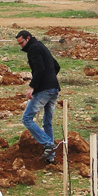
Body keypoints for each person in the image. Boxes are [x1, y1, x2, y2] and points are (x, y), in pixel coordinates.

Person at [16, 30, 60, 164]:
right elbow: (56, 66)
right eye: (19, 44)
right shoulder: (41, 46)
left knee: (26, 118)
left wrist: (32, 87)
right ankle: (50, 157)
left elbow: (40, 69)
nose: (21, 46)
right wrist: (50, 78)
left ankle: (48, 144)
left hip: (44, 90)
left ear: (28, 38)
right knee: (47, 122)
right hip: (54, 89)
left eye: (22, 42)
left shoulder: (33, 49)